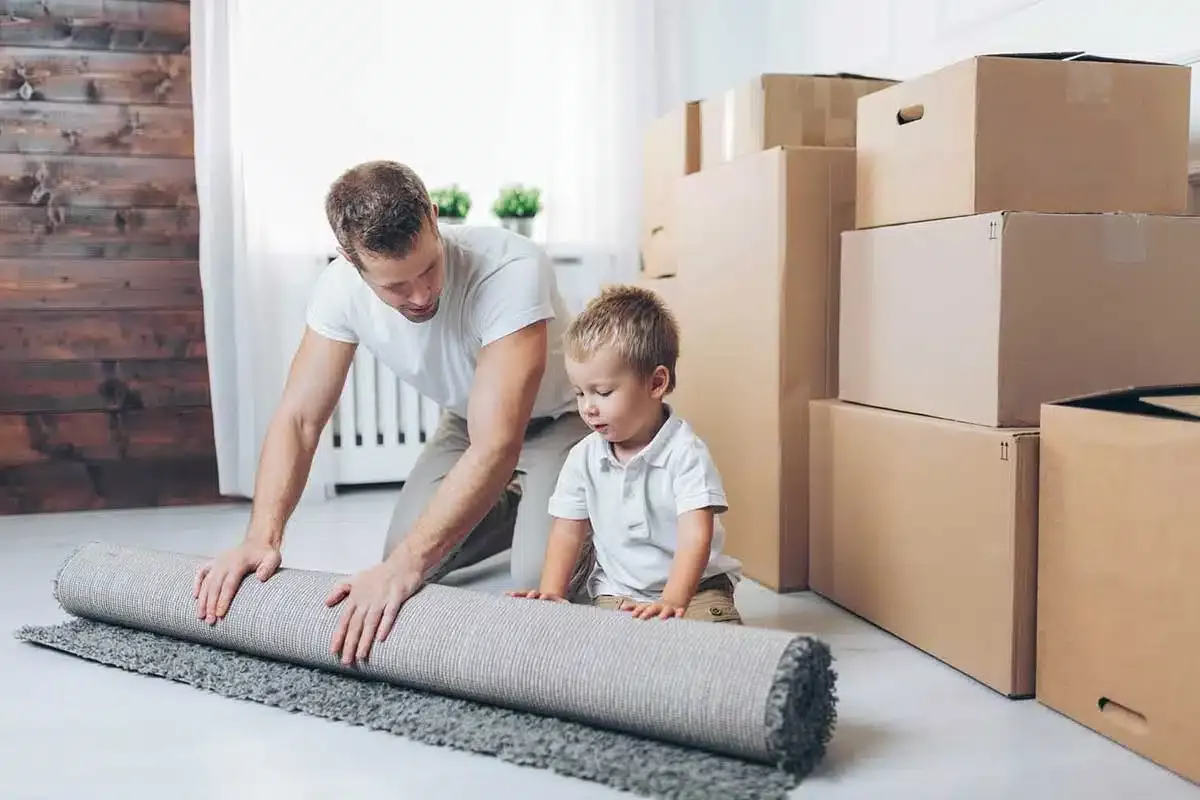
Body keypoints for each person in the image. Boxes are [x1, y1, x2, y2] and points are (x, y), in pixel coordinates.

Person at [192, 160, 590, 663]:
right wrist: (259, 539)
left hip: (561, 420)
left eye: (429, 269)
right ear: (350, 259)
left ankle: (581, 506)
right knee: (402, 552)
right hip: (467, 421)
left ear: (434, 215)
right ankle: (521, 509)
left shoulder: (511, 268)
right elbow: (299, 418)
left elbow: (498, 444)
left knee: (536, 576)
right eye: (396, 287)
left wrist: (407, 567)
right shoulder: (339, 290)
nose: (422, 295)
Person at [510, 284, 743, 623]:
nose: (588, 408)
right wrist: (552, 594)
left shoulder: (686, 453)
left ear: (655, 384)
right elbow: (568, 530)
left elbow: (696, 534)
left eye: (602, 392)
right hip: (617, 591)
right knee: (611, 653)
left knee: (716, 644)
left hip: (694, 588)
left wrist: (672, 602)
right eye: (579, 393)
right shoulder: (582, 457)